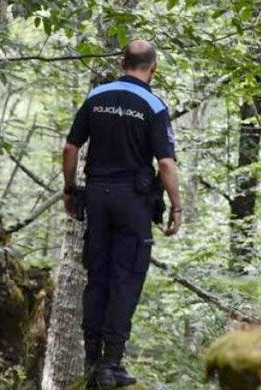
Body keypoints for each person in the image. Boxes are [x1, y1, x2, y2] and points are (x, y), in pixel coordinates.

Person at [62, 39, 182, 388]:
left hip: (97, 196)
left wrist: (70, 189)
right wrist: (176, 206)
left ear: (122, 61)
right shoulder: (153, 104)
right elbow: (165, 162)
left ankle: (90, 359)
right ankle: (110, 364)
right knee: (126, 276)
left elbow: (71, 147)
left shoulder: (96, 96)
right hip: (132, 200)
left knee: (97, 274)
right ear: (152, 68)